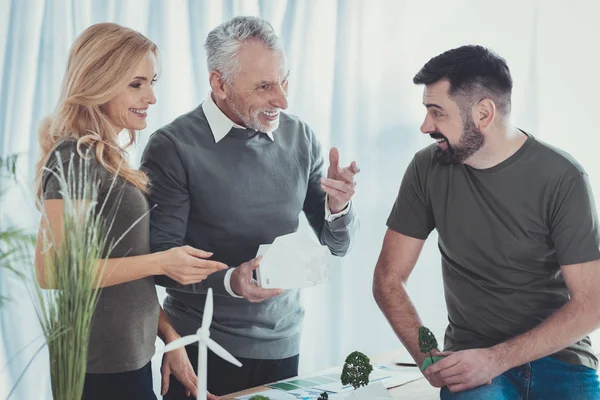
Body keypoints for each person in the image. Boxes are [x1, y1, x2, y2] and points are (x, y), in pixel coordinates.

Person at [140, 16, 359, 397]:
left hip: (283, 345)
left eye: (284, 80)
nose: (283, 99)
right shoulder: (172, 147)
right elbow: (159, 263)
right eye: (264, 86)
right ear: (219, 83)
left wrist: (338, 208)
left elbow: (337, 245)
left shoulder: (300, 136)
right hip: (200, 346)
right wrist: (230, 282)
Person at [373, 45, 600, 400]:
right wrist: (429, 358)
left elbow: (592, 301)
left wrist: (496, 359)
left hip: (561, 359)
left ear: (483, 113)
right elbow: (388, 279)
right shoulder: (426, 169)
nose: (425, 126)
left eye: (437, 112)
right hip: (470, 359)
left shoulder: (562, 177)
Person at [34, 23, 227, 400]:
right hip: (100, 368)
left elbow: (122, 266)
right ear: (99, 81)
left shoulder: (107, 160)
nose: (152, 97)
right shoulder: (75, 157)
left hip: (130, 359)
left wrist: (170, 337)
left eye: (152, 81)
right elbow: (53, 269)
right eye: (137, 84)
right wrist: (161, 262)